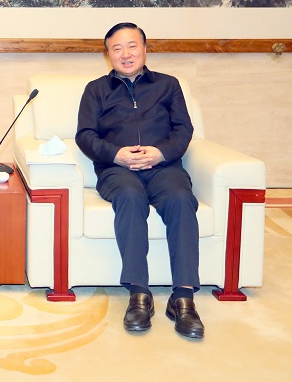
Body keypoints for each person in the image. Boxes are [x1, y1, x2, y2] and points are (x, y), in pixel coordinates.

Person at [75, 22, 204, 339]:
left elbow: (183, 130)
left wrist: (161, 153)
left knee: (181, 199)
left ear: (145, 49)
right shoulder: (96, 89)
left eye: (132, 46)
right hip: (116, 170)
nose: (125, 54)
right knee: (130, 198)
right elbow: (85, 135)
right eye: (117, 48)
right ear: (108, 55)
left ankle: (183, 298)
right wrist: (116, 154)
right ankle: (138, 294)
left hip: (164, 167)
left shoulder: (168, 85)